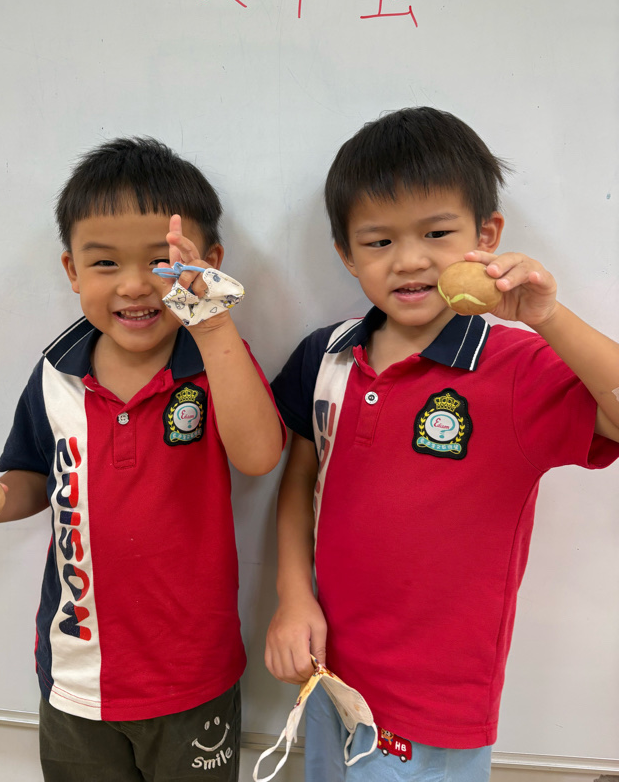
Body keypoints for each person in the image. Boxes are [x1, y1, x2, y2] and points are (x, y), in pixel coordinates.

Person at [264, 107, 619, 782]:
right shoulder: (327, 355)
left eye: (436, 232)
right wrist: (292, 595)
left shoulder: (516, 366)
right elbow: (299, 478)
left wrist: (548, 316)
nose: (410, 260)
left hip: (438, 707)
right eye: (378, 241)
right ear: (346, 254)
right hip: (331, 678)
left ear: (486, 236)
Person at [0, 137, 284, 782]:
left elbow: (261, 456)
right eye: (104, 263)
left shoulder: (215, 361)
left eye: (161, 261)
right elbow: (33, 475)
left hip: (191, 676)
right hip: (74, 674)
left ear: (208, 263)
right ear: (72, 271)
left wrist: (212, 322)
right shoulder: (55, 374)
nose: (133, 285)